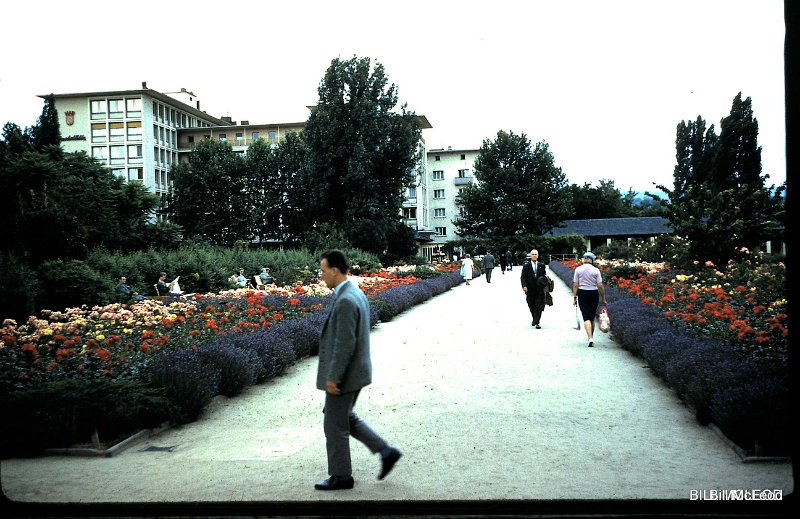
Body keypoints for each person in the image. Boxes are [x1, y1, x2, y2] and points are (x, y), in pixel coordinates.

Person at [314, 249, 402, 491]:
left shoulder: (344, 299)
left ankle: (341, 476)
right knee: (344, 418)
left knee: (333, 426)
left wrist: (334, 377)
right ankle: (386, 451)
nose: (321, 276)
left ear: (334, 270)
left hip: (346, 376)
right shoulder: (352, 292)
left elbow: (345, 344)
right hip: (356, 373)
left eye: (323, 271)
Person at [573, 251, 607, 348]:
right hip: (593, 293)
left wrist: (575, 297)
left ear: (584, 259)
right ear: (592, 260)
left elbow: (575, 284)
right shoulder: (596, 270)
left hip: (582, 293)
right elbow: (600, 285)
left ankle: (590, 338)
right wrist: (603, 298)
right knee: (591, 316)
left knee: (586, 316)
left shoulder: (578, 270)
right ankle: (591, 336)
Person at [520, 249, 547, 328]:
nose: (534, 255)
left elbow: (544, 276)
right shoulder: (526, 266)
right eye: (533, 254)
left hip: (540, 290)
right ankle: (534, 319)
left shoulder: (542, 265)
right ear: (530, 256)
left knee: (539, 306)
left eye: (535, 254)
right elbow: (523, 277)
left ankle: (537, 322)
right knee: (531, 305)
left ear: (538, 256)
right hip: (530, 289)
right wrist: (524, 286)